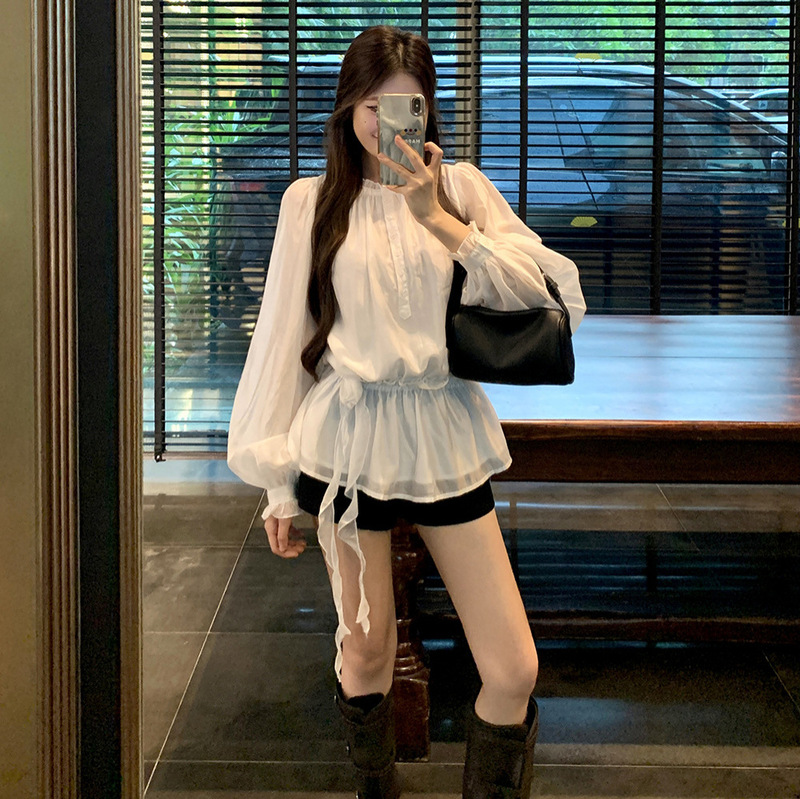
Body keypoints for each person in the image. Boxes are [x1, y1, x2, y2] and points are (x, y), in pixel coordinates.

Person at [227, 25, 586, 799]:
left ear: (428, 109)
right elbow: (283, 339)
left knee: (513, 666)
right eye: (374, 105)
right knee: (364, 653)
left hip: (442, 430)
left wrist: (438, 219)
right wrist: (278, 485)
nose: (390, 122)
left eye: (409, 106)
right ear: (348, 107)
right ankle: (376, 787)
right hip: (346, 441)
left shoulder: (461, 190)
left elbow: (554, 295)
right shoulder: (310, 202)